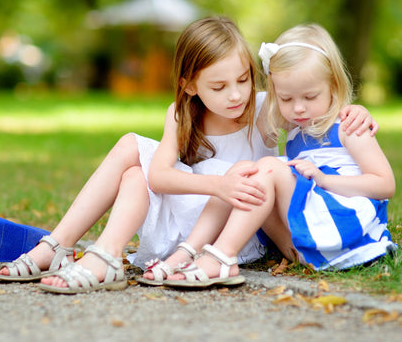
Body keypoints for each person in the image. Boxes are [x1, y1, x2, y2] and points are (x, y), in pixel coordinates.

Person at [0, 17, 376, 294]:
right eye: (219, 86)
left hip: (230, 228)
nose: (236, 95)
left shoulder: (265, 108)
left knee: (140, 152)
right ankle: (76, 249)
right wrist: (217, 184)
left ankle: (71, 251)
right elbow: (158, 177)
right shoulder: (180, 115)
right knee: (131, 160)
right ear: (189, 85)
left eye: (243, 79)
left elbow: (312, 103)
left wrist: (356, 110)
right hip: (183, 220)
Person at [163, 23, 395, 288]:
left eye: (310, 96)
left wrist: (325, 180)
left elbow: (385, 185)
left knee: (268, 167)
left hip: (344, 230)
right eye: (285, 98)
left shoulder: (348, 126)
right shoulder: (296, 133)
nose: (298, 108)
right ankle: (196, 250)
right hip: (306, 243)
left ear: (333, 84)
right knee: (246, 174)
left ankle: (223, 255)